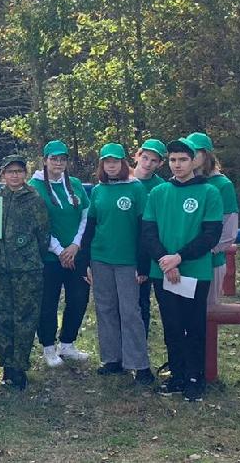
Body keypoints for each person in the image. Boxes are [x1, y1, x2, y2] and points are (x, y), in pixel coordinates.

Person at [142, 138, 222, 402]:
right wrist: (165, 260)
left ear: (193, 161)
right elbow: (149, 232)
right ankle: (176, 376)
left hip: (195, 270)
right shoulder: (158, 193)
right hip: (162, 271)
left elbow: (210, 235)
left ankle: (194, 378)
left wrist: (179, 258)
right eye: (173, 160)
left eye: (183, 159)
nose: (178, 165)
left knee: (193, 325)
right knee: (172, 325)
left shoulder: (209, 192)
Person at [79, 144, 153, 386]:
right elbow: (90, 228)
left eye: (116, 161)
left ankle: (139, 364)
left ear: (124, 163)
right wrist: (84, 261)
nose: (111, 166)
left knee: (131, 311)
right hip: (101, 259)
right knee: (105, 309)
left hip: (127, 261)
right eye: (106, 162)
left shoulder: (136, 189)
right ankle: (112, 359)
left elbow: (144, 228)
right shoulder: (98, 191)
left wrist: (143, 265)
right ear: (101, 165)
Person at [0, 154, 49, 390]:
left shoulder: (35, 200)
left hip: (27, 271)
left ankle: (20, 366)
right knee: (2, 317)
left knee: (25, 318)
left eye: (18, 171)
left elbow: (43, 236)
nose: (14, 175)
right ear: (2, 175)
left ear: (25, 174)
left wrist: (28, 257)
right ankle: (6, 365)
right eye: (10, 172)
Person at [30, 139, 91, 367]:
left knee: (78, 298)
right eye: (53, 158)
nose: (58, 162)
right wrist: (58, 250)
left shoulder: (74, 184)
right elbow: (38, 225)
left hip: (75, 254)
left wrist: (75, 245)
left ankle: (68, 343)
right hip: (49, 257)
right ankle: (48, 347)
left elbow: (86, 214)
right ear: (45, 160)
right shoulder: (34, 187)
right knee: (48, 302)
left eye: (62, 158)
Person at [187, 132, 239, 307]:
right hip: (184, 261)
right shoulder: (184, 182)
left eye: (196, 152)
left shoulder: (223, 185)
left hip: (210, 260)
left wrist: (206, 250)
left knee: (206, 314)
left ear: (206, 154)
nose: (191, 157)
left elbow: (229, 230)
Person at [132, 138, 167, 336]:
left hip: (146, 251)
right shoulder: (121, 178)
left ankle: (139, 347)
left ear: (160, 163)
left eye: (154, 160)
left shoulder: (160, 187)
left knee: (141, 300)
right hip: (121, 249)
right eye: (145, 158)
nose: (148, 164)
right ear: (137, 156)